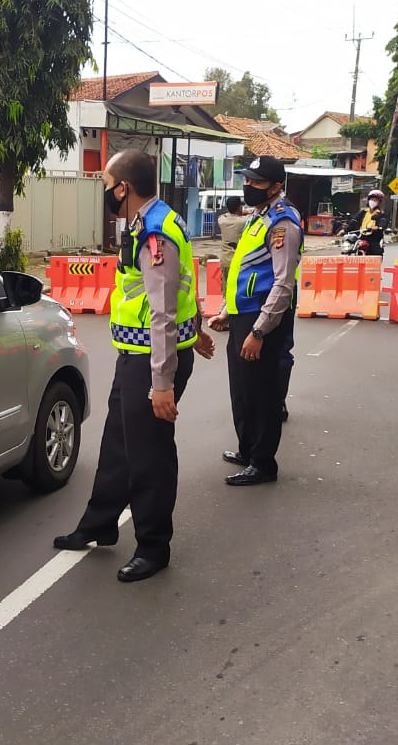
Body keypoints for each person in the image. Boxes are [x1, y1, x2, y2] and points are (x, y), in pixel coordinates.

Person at [53, 150, 215, 582]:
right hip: (139, 358)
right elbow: (185, 286)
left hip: (152, 363)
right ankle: (99, 524)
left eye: (107, 184)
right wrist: (195, 330)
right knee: (118, 445)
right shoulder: (159, 219)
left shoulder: (154, 233)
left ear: (123, 187)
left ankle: (154, 546)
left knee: (150, 456)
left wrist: (161, 382)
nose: (105, 191)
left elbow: (162, 309)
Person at [208, 156, 302, 486]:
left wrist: (259, 330)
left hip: (263, 319)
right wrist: (226, 311)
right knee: (243, 390)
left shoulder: (282, 223)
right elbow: (244, 269)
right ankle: (247, 450)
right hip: (243, 315)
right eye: (247, 180)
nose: (248, 186)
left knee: (262, 393)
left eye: (256, 182)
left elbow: (282, 283)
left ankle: (263, 463)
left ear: (276, 186)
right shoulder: (258, 216)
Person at [350, 188, 389, 255]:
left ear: (379, 202)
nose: (373, 201)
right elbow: (354, 221)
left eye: (375, 200)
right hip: (361, 236)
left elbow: (384, 222)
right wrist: (344, 229)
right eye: (371, 199)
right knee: (351, 248)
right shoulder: (363, 212)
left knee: (376, 251)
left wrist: (378, 227)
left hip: (374, 238)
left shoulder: (381, 214)